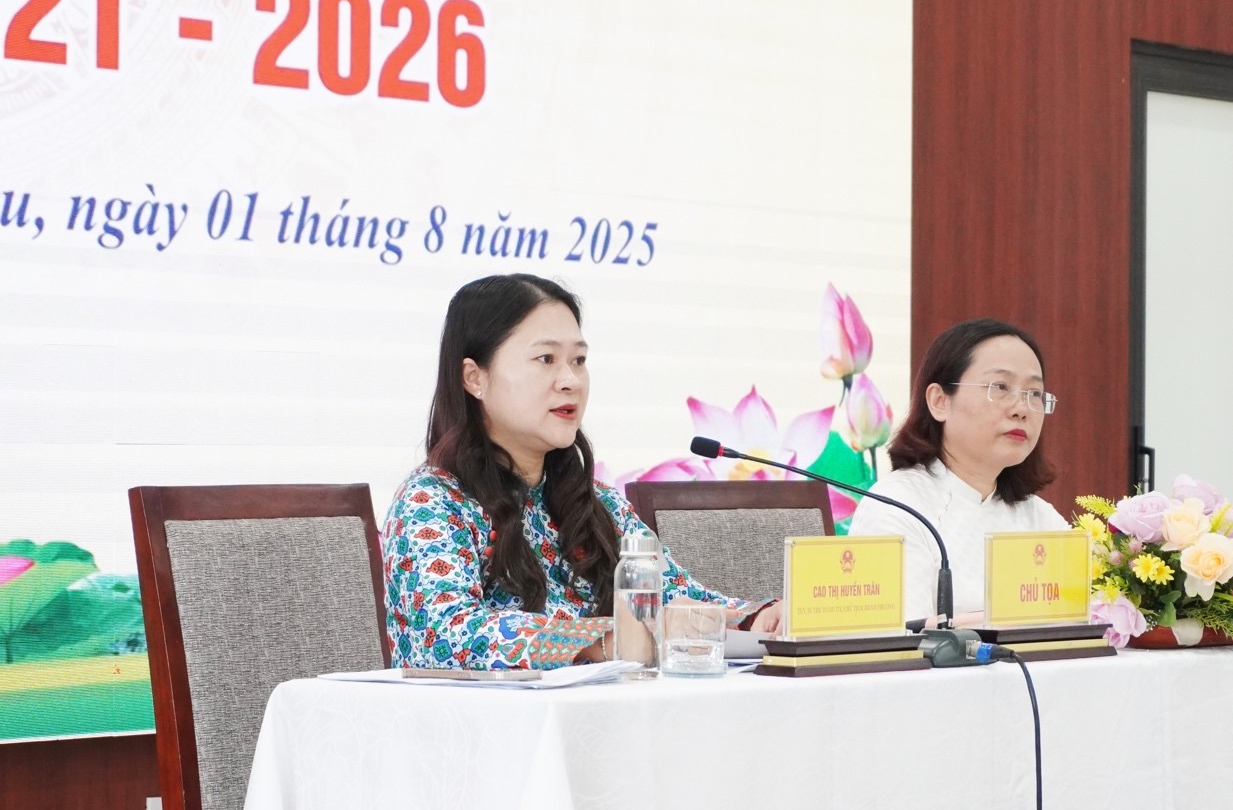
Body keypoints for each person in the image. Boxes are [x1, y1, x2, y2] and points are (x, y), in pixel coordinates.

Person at [382, 273, 783, 669]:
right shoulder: (431, 502)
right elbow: (445, 635)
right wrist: (605, 641)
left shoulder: (599, 502)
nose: (570, 381)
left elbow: (678, 599)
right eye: (546, 359)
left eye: (578, 360)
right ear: (475, 378)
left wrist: (758, 619)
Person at [848, 318, 1068, 627]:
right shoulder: (896, 507)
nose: (1021, 409)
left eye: (1034, 393)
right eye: (1000, 387)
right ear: (940, 402)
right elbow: (904, 635)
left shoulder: (1038, 516)